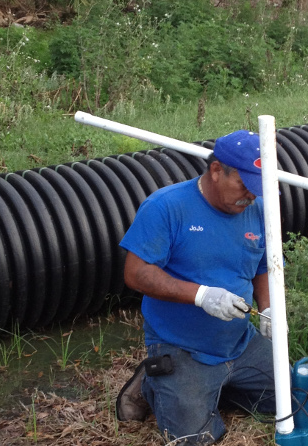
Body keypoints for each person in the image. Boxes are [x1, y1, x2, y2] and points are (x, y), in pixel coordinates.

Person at [115, 130, 276, 445]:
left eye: (257, 189)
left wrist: (268, 309)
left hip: (241, 344)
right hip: (182, 347)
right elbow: (136, 273)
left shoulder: (257, 209)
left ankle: (212, 387)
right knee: (194, 437)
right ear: (216, 171)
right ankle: (155, 383)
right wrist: (201, 296)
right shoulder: (167, 207)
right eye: (243, 186)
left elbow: (262, 266)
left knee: (295, 396)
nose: (250, 196)